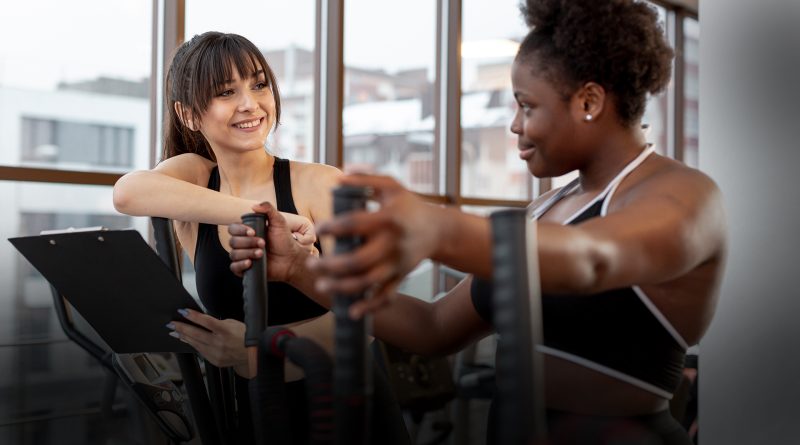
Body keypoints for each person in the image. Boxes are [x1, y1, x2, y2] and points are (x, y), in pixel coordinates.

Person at [228, 1, 727, 444]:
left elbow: (593, 260)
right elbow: (433, 326)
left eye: (527, 106)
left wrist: (440, 228)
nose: (514, 125)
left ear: (590, 102)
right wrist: (299, 269)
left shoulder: (684, 196)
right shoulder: (547, 208)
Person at [113, 32, 410, 444]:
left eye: (259, 84)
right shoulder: (196, 178)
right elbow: (128, 193)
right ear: (187, 114)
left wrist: (256, 353)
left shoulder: (319, 182)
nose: (250, 104)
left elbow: (369, 320)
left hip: (344, 408)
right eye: (225, 92)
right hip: (251, 414)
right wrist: (264, 217)